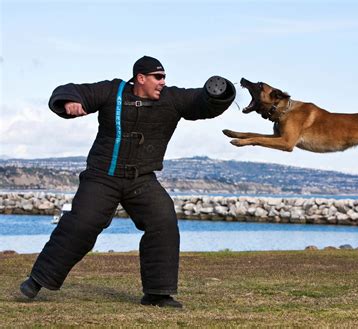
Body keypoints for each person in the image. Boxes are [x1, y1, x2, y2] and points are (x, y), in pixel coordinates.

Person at [19, 56, 236, 308]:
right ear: (140, 78)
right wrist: (69, 101)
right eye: (158, 77)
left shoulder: (172, 99)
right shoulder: (112, 91)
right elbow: (75, 91)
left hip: (141, 180)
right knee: (81, 225)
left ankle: (157, 294)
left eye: (164, 77)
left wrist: (217, 94)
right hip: (102, 177)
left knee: (163, 221)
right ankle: (36, 281)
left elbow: (202, 103)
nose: (163, 82)